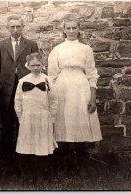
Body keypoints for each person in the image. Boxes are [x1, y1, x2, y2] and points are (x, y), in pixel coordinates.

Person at [47, 17, 102, 172]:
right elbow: (52, 75)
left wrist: (93, 97)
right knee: (63, 120)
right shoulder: (57, 49)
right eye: (68, 28)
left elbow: (92, 73)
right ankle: (64, 160)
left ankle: (80, 160)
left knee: (80, 119)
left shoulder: (86, 49)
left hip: (80, 86)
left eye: (74, 28)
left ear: (79, 29)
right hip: (62, 86)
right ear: (63, 30)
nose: (71, 31)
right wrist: (51, 96)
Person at [0, 15, 39, 161]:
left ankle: (24, 158)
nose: (15, 29)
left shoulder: (31, 44)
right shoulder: (0, 46)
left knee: (24, 123)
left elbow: (36, 68)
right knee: (6, 124)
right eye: (12, 27)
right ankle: (7, 160)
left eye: (18, 26)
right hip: (6, 91)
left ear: (23, 27)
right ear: (8, 28)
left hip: (26, 89)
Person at [14, 52, 58, 184]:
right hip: (28, 117)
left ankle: (43, 173)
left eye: (38, 65)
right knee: (27, 143)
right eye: (32, 65)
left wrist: (52, 117)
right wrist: (20, 117)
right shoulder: (23, 81)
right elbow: (18, 101)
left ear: (42, 65)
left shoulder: (47, 80)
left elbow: (53, 100)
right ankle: (28, 174)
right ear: (28, 66)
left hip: (43, 116)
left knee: (42, 142)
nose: (35, 68)